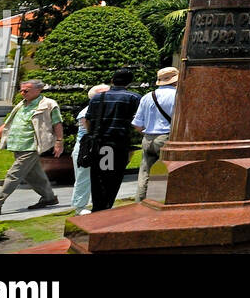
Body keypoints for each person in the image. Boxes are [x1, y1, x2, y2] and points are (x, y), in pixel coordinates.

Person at [0, 79, 64, 216]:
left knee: (14, 174)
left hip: (32, 146)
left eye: (26, 90)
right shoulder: (21, 105)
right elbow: (7, 125)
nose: (22, 93)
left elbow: (57, 123)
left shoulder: (48, 104)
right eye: (21, 90)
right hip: (17, 146)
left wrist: (59, 141)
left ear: (38, 90)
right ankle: (49, 198)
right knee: (33, 175)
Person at [84, 69, 141, 212]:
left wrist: (92, 134)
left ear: (112, 80)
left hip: (100, 142)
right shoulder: (133, 98)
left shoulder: (98, 98)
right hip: (117, 143)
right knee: (112, 178)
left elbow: (88, 120)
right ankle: (104, 208)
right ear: (129, 82)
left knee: (99, 177)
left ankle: (99, 206)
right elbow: (138, 121)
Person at [132, 67, 178, 201]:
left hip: (148, 138)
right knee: (170, 171)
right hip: (167, 137)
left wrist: (147, 134)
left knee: (145, 172)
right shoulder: (178, 95)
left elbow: (137, 124)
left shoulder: (147, 96)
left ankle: (140, 202)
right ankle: (164, 201)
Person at [69, 84, 110, 216]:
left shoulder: (108, 110)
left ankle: (101, 203)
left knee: (105, 176)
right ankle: (79, 207)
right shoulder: (86, 112)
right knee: (83, 177)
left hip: (104, 148)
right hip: (86, 149)